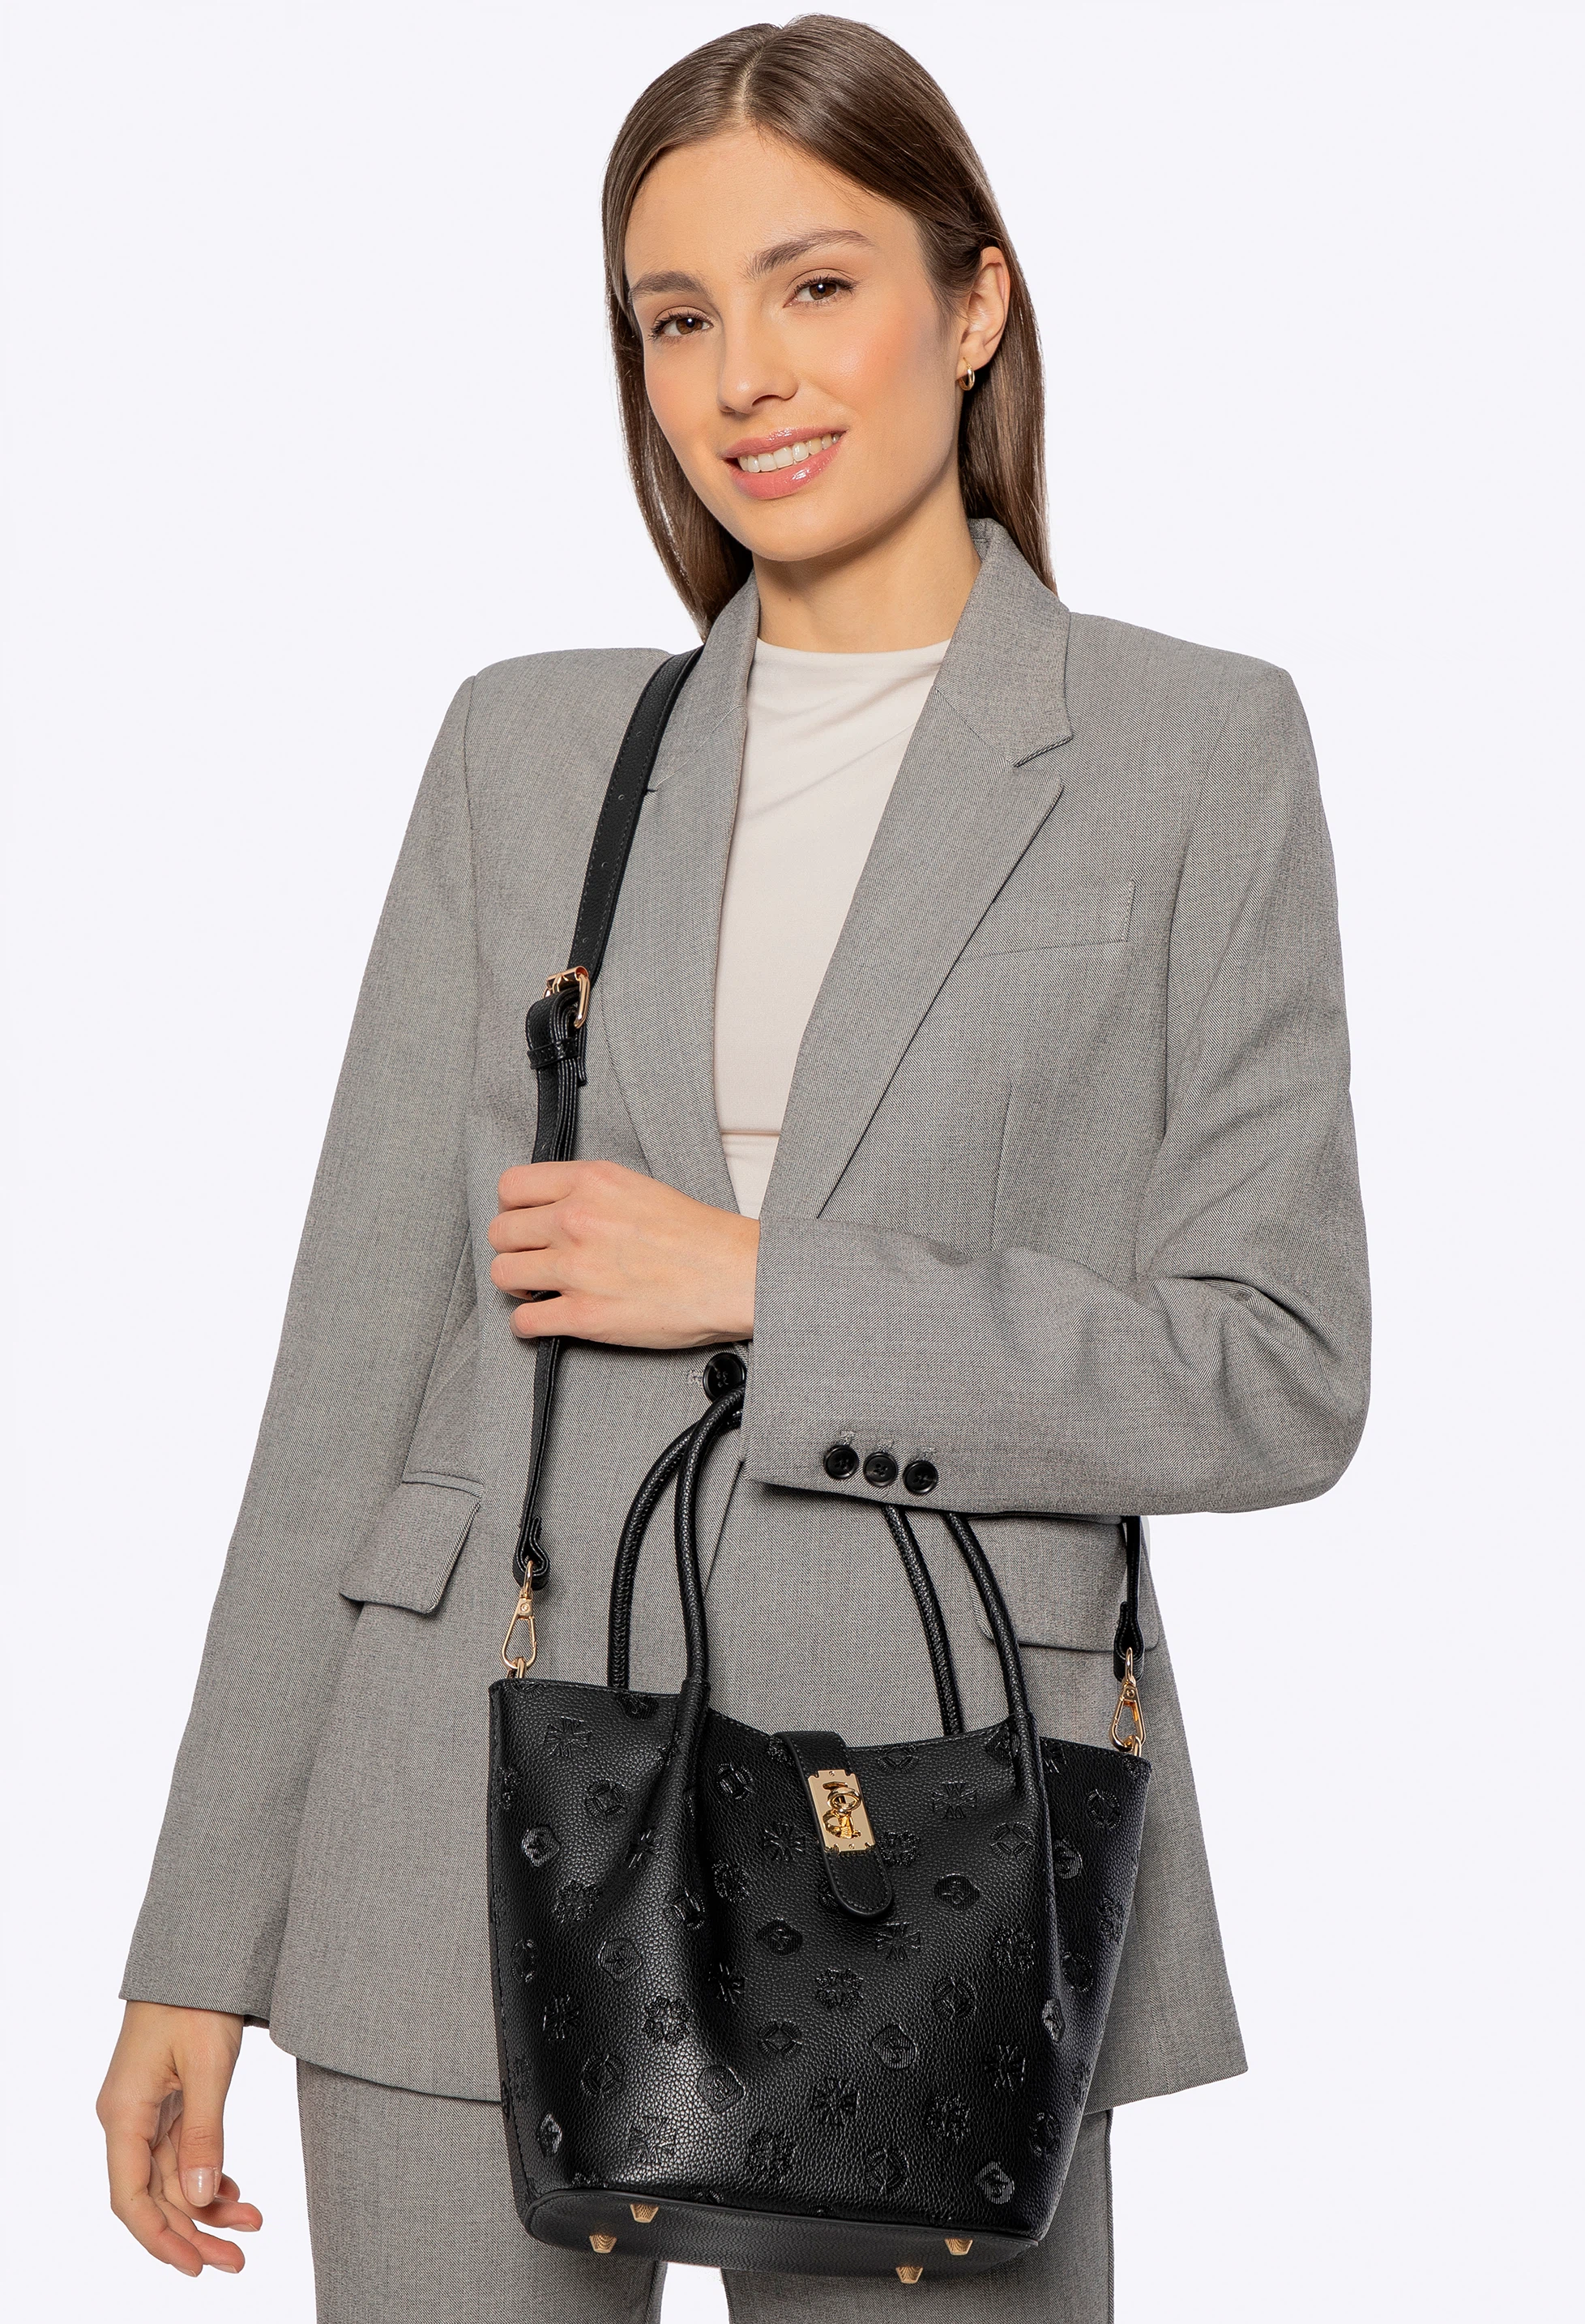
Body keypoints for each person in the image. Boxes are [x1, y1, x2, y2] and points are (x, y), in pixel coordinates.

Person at [97, 17, 1370, 2321]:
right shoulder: (527, 748)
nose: (742, 377)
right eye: (674, 318)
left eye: (815, 286)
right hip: (445, 1846)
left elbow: (1276, 1373)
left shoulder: (1188, 751)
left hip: (929, 1836)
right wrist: (200, 1933)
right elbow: (348, 1373)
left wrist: (773, 1288)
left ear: (974, 302)